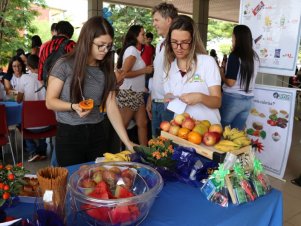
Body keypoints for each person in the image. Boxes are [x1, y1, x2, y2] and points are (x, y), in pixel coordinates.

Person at [46, 16, 134, 167]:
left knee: (95, 180)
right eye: (100, 45)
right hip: (69, 135)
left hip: (98, 132)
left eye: (108, 46)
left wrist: (127, 142)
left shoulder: (105, 69)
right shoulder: (64, 65)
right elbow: (50, 101)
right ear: (87, 40)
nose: (105, 50)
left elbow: (111, 105)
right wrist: (73, 106)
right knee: (71, 181)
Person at [163, 15, 221, 123]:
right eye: (174, 42)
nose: (179, 48)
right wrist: (168, 96)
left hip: (207, 129)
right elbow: (169, 93)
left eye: (184, 42)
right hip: (180, 130)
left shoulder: (207, 62)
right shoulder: (169, 67)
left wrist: (200, 97)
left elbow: (217, 101)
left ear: (193, 41)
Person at [116, 25, 153, 145]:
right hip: (129, 92)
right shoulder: (132, 50)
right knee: (123, 127)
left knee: (143, 124)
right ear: (135, 36)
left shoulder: (135, 51)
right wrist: (144, 70)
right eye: (142, 34)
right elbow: (125, 73)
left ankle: (144, 153)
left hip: (136, 93)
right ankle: (116, 154)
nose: (145, 36)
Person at [146, 2, 178, 137]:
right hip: (156, 102)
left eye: (156, 20)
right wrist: (150, 98)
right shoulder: (160, 44)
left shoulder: (177, 44)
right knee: (156, 145)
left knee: (169, 149)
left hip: (169, 105)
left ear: (169, 20)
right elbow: (158, 74)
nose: (154, 24)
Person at [220, 24, 259, 130]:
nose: (232, 38)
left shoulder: (235, 55)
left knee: (220, 129)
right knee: (236, 134)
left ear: (237, 37)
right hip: (248, 99)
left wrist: (222, 74)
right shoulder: (255, 57)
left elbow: (230, 82)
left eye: (233, 35)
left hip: (232, 98)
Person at [16, 54, 48, 162]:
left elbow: (19, 100)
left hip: (29, 126)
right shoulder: (46, 78)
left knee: (19, 123)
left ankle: (32, 151)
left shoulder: (24, 77)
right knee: (42, 117)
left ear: (28, 66)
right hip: (49, 124)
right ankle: (42, 150)